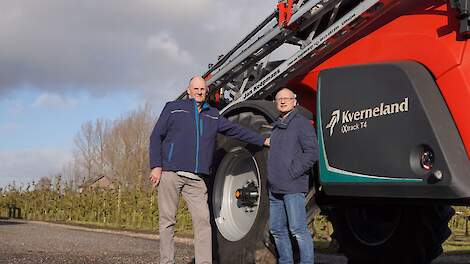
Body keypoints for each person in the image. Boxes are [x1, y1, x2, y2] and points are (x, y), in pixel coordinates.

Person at [149, 76, 269, 264]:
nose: (199, 91)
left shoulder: (212, 115)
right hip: (171, 173)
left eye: (202, 89)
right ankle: (167, 261)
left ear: (206, 92)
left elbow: (236, 130)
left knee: (203, 223)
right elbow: (156, 136)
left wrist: (262, 140)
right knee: (167, 222)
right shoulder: (173, 108)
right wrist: (156, 166)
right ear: (188, 91)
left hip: (196, 179)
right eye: (196, 88)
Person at [267, 88, 319, 264]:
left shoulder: (301, 123)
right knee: (276, 230)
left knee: (297, 229)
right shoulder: (277, 125)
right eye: (279, 99)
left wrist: (293, 172)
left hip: (293, 186)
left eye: (286, 98)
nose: (282, 101)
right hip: (275, 188)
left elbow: (312, 152)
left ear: (294, 101)